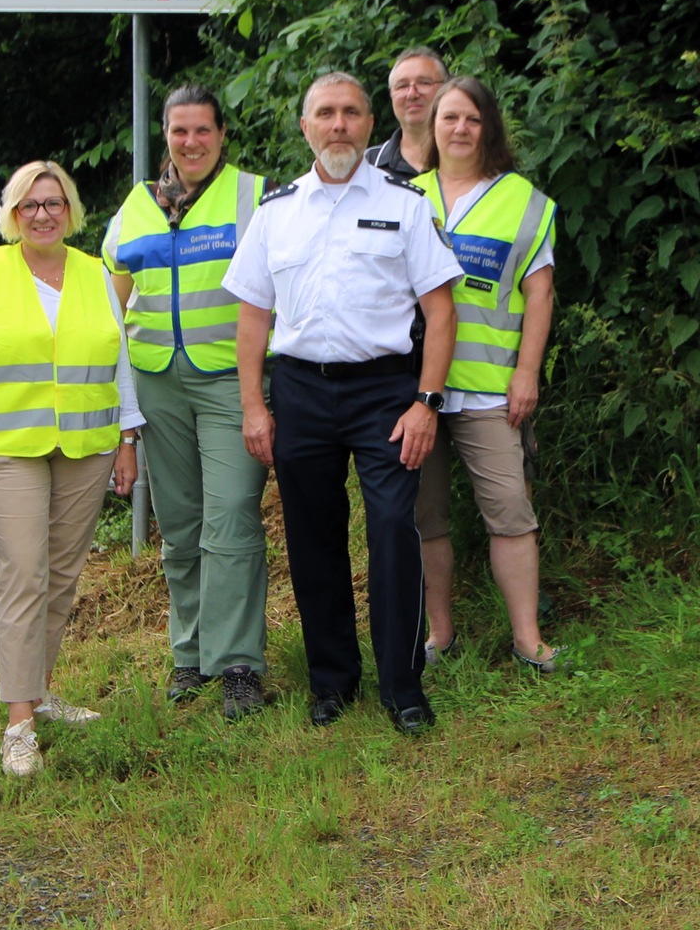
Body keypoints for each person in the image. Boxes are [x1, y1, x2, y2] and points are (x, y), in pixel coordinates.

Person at [224, 72, 462, 735]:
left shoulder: (406, 204)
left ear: (367, 123)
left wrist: (427, 402)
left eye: (351, 113)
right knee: (312, 536)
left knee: (392, 527)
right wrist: (254, 406)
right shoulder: (276, 211)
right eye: (324, 113)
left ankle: (402, 685)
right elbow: (250, 318)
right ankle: (332, 681)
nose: (338, 125)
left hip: (386, 389)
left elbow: (440, 312)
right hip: (300, 390)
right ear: (305, 126)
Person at [0, 161, 144, 776]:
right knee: (23, 574)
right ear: (13, 215)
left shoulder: (94, 274)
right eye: (31, 205)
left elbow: (119, 361)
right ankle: (19, 722)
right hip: (5, 448)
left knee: (60, 576)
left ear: (70, 211)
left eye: (54, 203)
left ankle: (42, 691)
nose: (44, 214)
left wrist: (128, 438)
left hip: (87, 446)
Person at [103, 84, 271, 720]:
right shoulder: (136, 206)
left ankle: (238, 665)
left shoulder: (253, 196)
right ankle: (191, 654)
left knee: (230, 514)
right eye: (180, 131)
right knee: (180, 524)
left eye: (203, 130)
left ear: (222, 134)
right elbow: (111, 303)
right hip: (156, 381)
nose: (191, 142)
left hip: (232, 379)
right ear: (165, 136)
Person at [410, 77, 560, 672]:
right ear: (432, 126)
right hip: (415, 390)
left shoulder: (523, 201)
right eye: (449, 117)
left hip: (490, 387)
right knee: (426, 519)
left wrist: (528, 373)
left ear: (488, 126)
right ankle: (439, 636)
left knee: (510, 510)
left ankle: (529, 640)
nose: (460, 128)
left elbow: (539, 293)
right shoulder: (403, 194)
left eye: (472, 118)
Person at [365, 46, 449, 179]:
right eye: (402, 86)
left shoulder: (468, 160)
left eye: (424, 83)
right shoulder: (366, 164)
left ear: (446, 89)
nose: (412, 94)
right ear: (391, 94)